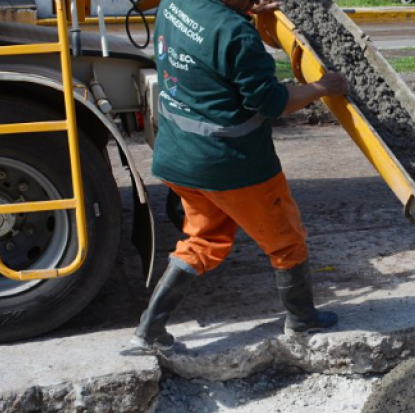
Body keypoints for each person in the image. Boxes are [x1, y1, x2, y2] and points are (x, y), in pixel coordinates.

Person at [131, 0, 348, 352]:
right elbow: (272, 102)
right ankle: (302, 320)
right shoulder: (237, 35)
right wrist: (323, 87)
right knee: (286, 240)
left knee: (202, 240)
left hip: (178, 156)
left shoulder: (173, 4)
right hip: (233, 166)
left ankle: (149, 330)